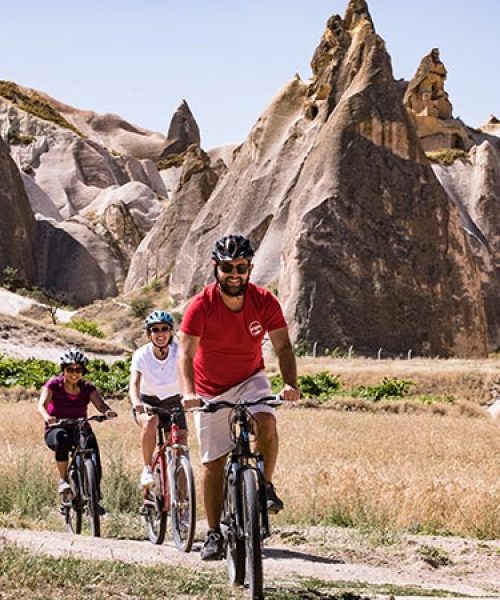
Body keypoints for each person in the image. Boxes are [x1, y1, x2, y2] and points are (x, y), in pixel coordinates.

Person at [179, 233, 300, 560]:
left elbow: (283, 347)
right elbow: (186, 355)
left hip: (250, 379)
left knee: (267, 422)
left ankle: (266, 486)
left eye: (242, 267)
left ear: (250, 268)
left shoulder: (265, 301)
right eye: (228, 267)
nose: (235, 274)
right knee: (214, 463)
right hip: (209, 388)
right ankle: (215, 533)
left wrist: (290, 383)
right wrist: (189, 394)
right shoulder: (201, 306)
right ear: (215, 267)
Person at [38, 348, 117, 510]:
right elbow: (41, 405)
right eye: (70, 369)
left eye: (78, 369)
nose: (74, 373)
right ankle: (64, 480)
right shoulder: (54, 385)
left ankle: (94, 499)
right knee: (63, 440)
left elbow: (100, 404)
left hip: (80, 428)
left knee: (94, 457)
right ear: (63, 370)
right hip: (57, 428)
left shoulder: (87, 387)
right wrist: (47, 417)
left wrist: (107, 412)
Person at [129, 310, 186, 488]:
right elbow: (134, 384)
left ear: (171, 332)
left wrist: (192, 395)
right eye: (155, 330)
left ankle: (183, 505)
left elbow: (191, 374)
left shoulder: (179, 351)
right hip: (148, 402)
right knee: (151, 421)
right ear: (149, 333)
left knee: (181, 451)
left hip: (174, 402)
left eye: (164, 329)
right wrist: (137, 402)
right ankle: (147, 469)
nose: (160, 334)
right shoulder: (141, 355)